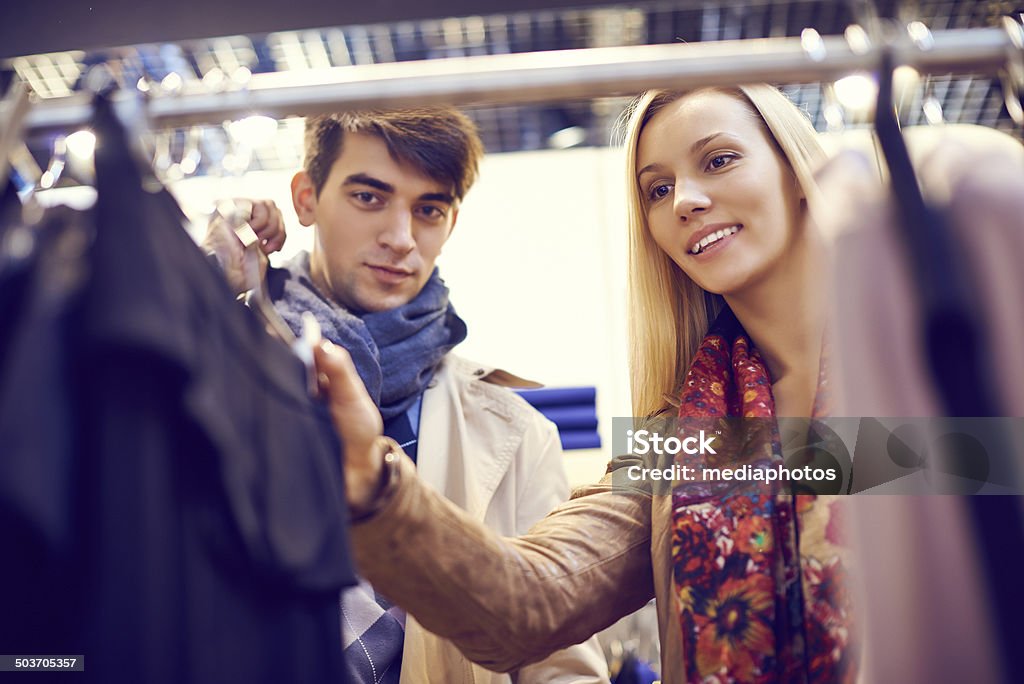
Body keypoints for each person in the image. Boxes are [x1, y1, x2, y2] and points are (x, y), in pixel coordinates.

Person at [312, 85, 857, 684]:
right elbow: (527, 601)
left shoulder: (927, 368)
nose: (686, 201)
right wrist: (374, 481)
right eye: (658, 188)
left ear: (799, 171)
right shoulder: (681, 439)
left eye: (719, 159)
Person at [202, 108, 609, 684]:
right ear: (306, 197)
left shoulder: (516, 432)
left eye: (428, 210)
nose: (400, 238)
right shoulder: (218, 377)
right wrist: (201, 292)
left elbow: (561, 667)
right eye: (370, 198)